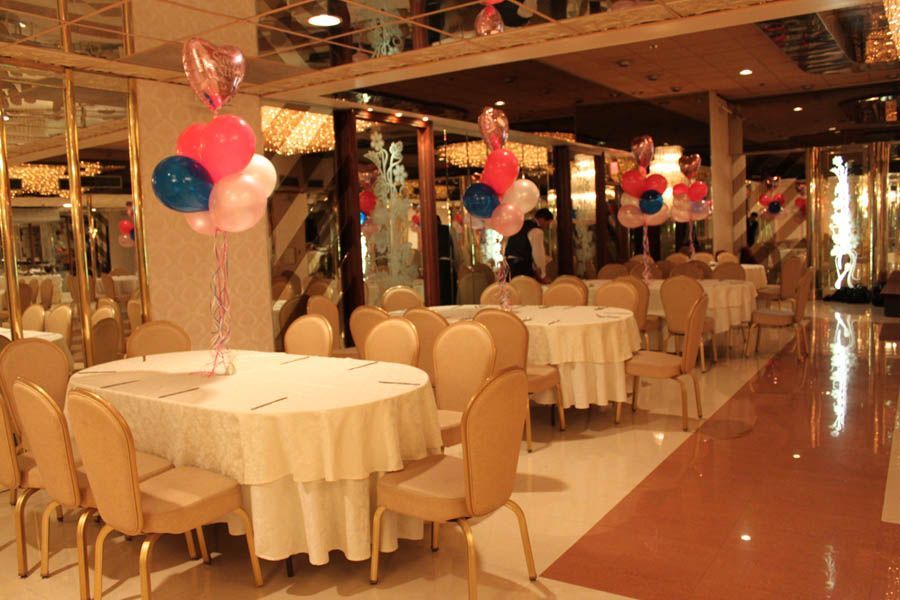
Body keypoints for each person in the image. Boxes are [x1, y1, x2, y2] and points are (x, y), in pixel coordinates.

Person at [504, 208, 553, 282]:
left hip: (509, 265)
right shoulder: (536, 231)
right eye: (547, 223)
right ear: (542, 219)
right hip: (521, 267)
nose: (547, 227)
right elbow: (538, 253)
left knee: (513, 290)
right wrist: (543, 275)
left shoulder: (521, 224)